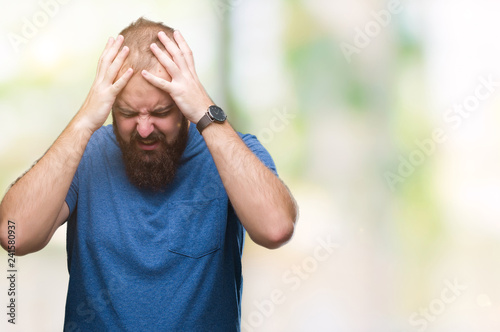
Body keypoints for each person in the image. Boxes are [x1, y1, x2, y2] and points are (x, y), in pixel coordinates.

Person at [0, 17, 297, 331]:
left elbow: (275, 228)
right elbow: (13, 234)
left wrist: (205, 110)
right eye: (128, 113)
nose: (144, 129)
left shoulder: (234, 152)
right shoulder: (83, 154)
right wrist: (85, 119)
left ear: (184, 104)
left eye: (160, 112)